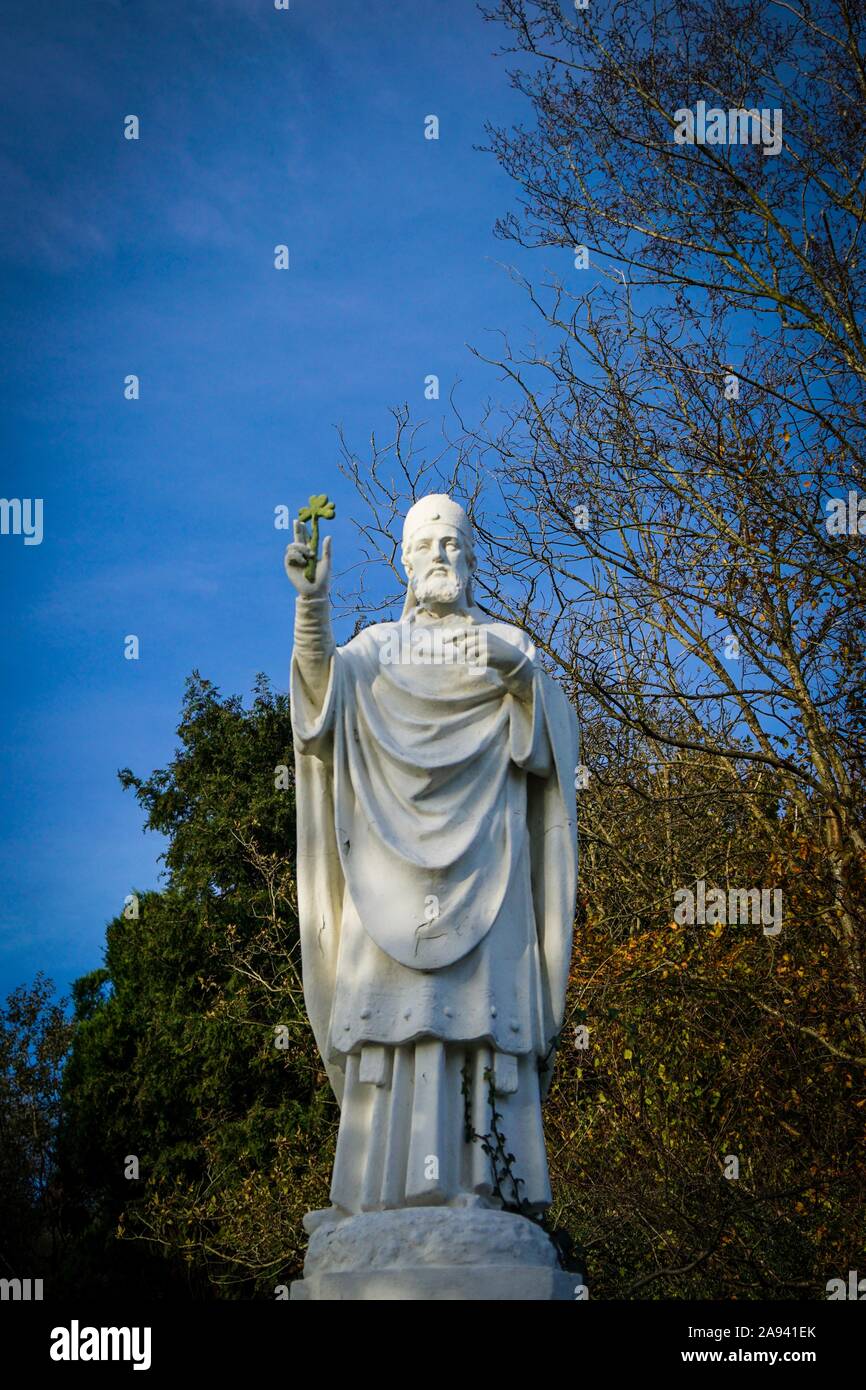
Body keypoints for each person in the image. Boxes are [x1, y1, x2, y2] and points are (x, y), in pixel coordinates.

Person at [285, 494, 578, 1224]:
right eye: (428, 544)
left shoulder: (507, 647)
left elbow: (550, 754)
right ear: (405, 562)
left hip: (491, 870)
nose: (441, 554)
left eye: (453, 543)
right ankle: (375, 1203)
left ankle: (484, 1196)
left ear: (471, 560)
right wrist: (312, 607)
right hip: (384, 874)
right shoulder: (376, 651)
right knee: (394, 1034)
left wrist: (518, 674)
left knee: (480, 1032)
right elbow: (319, 710)